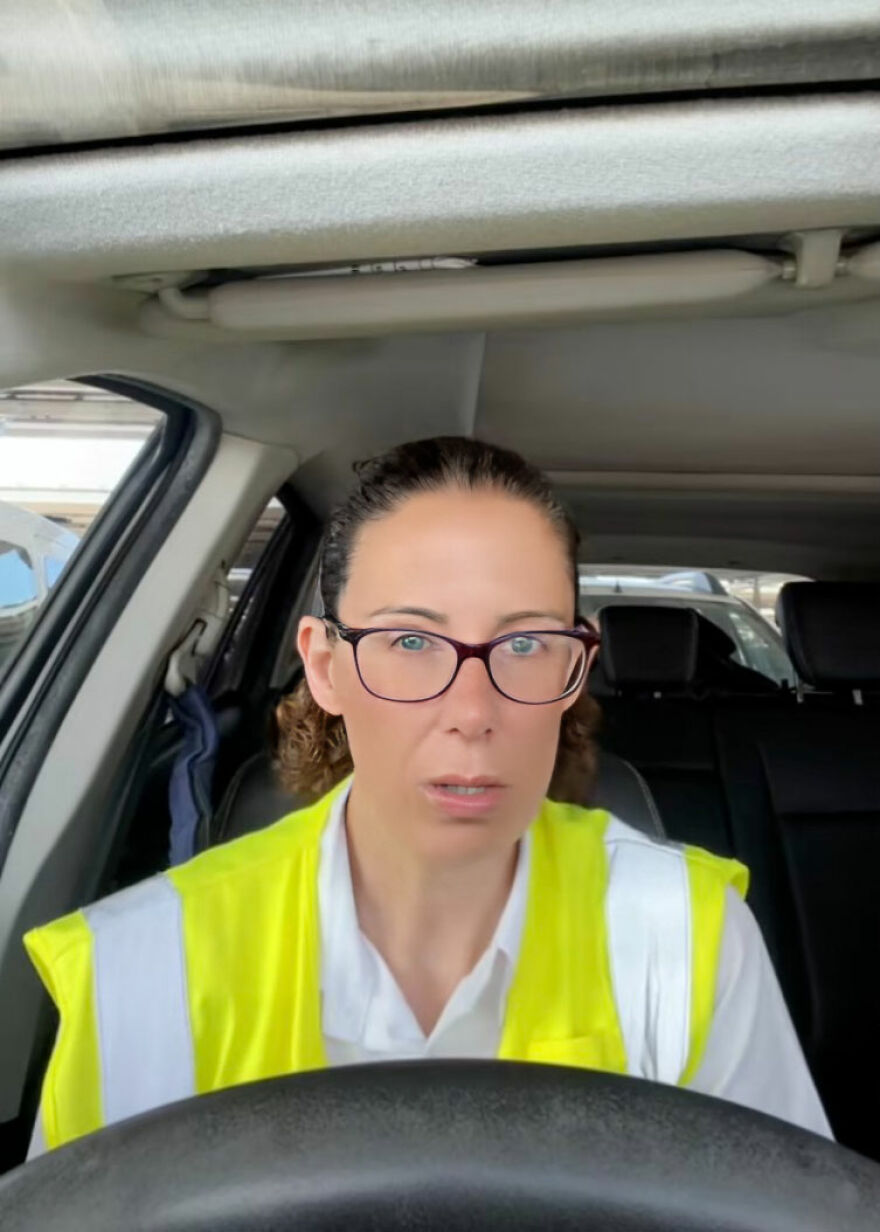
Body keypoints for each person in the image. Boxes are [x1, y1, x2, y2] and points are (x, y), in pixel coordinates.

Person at [24, 436, 830, 1156]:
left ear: (573, 666)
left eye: (524, 643)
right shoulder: (142, 967)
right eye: (410, 641)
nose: (473, 714)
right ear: (326, 666)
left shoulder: (683, 934)